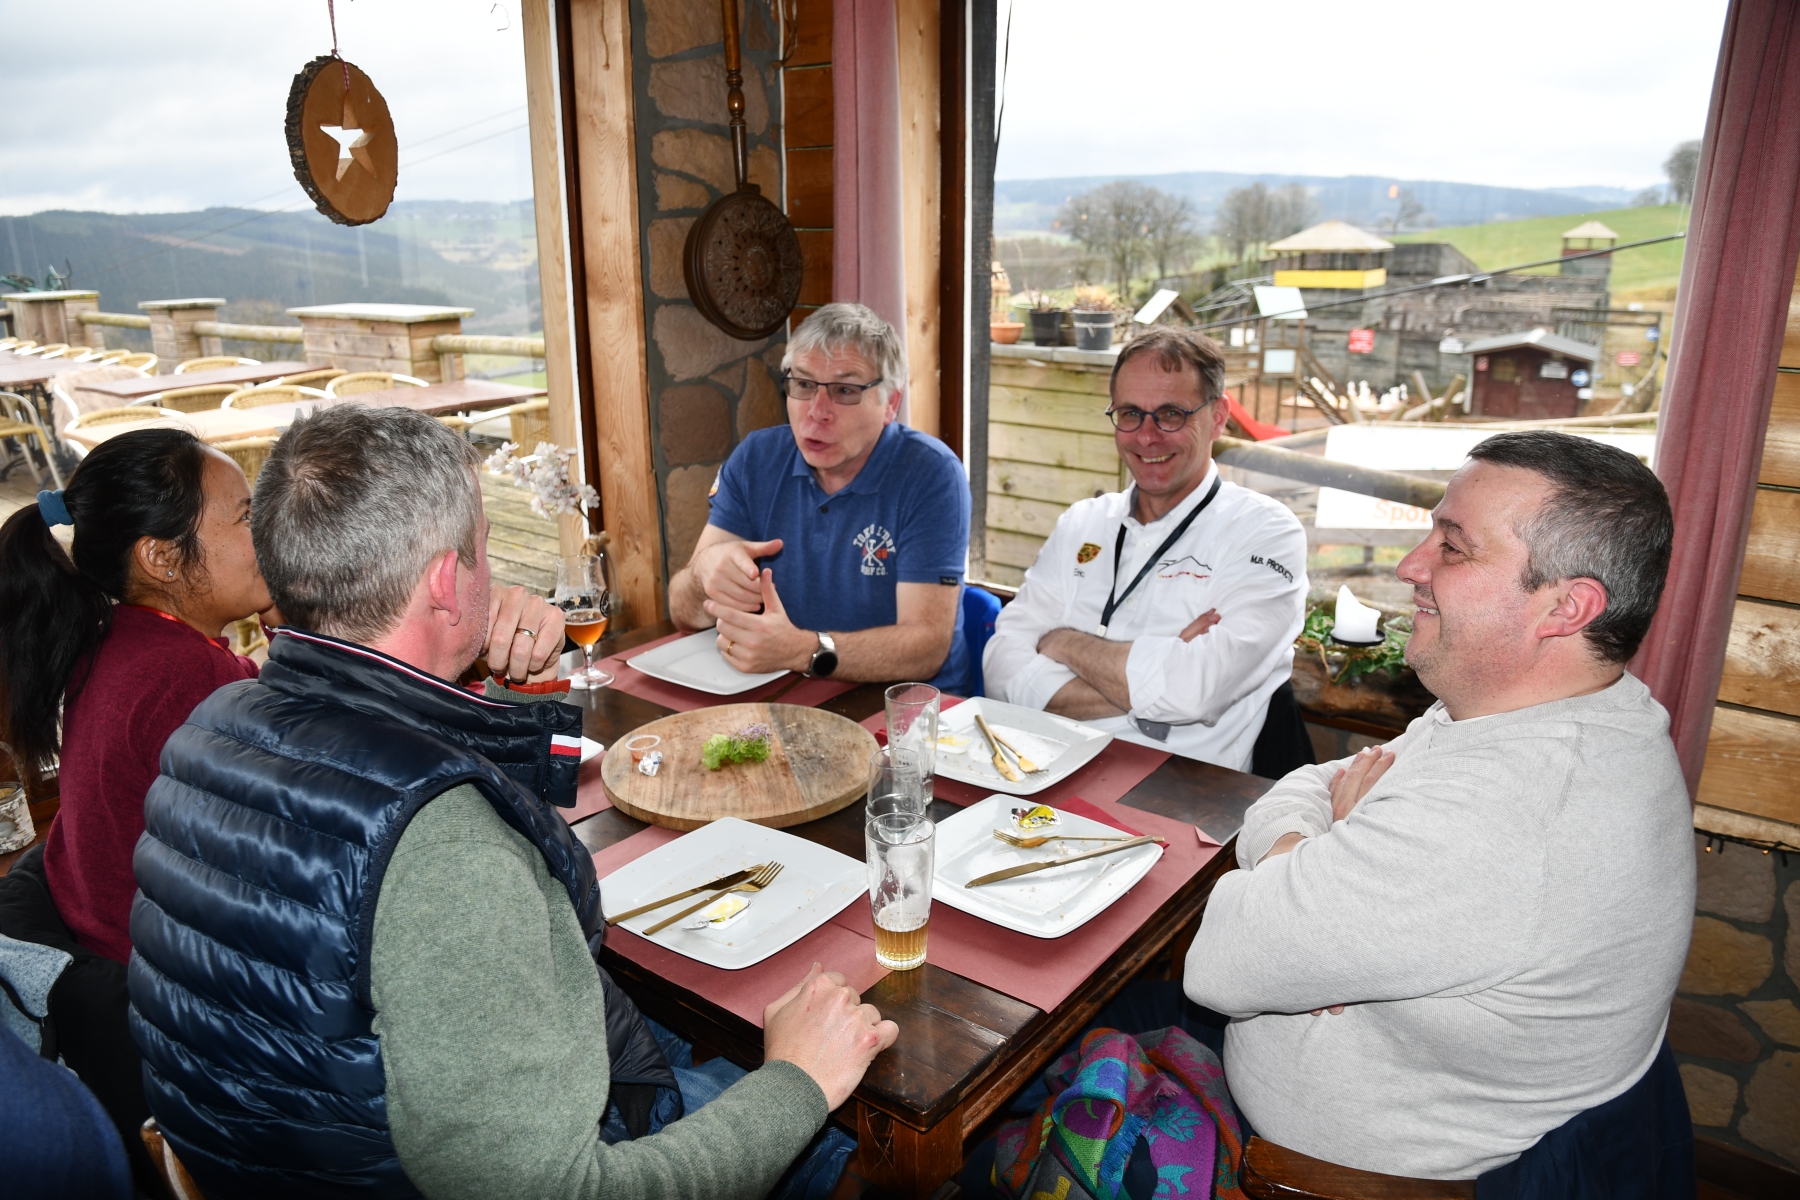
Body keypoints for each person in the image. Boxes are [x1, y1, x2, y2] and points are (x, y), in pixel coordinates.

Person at [128, 405, 898, 1199]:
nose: (493, 574)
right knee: (851, 1135)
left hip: (281, 1152)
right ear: (443, 581)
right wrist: (798, 1081)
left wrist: (497, 686)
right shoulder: (448, 856)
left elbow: (406, 811)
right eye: (484, 546)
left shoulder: (212, 725)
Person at [1185, 431, 1694, 1180]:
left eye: (1453, 548)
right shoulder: (1522, 709)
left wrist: (1303, 866)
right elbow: (1305, 782)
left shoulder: (1508, 813)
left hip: (1326, 1179)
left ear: (1565, 607)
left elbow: (1219, 960)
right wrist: (1321, 869)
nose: (1411, 566)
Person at [0, 428, 272, 1194]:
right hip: (170, 1009)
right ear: (161, 558)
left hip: (97, 961)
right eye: (245, 516)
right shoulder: (191, 679)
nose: (268, 530)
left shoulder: (117, 639)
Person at [982, 326, 1309, 772]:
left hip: (1182, 791)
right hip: (1046, 770)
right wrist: (1158, 676)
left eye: (1171, 414)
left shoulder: (1266, 532)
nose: (1147, 436)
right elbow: (1000, 667)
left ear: (1217, 416)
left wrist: (1061, 642)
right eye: (1131, 413)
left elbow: (1194, 692)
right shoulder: (1082, 522)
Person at [669, 302, 972, 693]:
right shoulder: (757, 458)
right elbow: (683, 612)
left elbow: (926, 648)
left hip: (906, 705)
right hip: (783, 689)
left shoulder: (931, 473)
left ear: (890, 403)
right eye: (804, 385)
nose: (817, 412)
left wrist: (802, 649)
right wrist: (702, 576)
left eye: (845, 390)